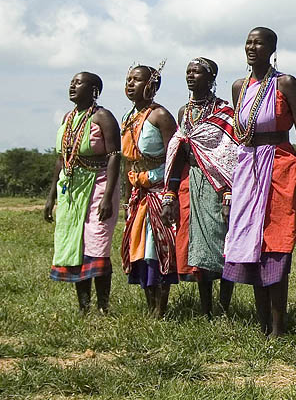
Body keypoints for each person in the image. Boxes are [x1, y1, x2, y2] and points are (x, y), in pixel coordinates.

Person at [223, 27, 296, 337]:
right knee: (251, 244)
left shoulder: (285, 83)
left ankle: (279, 328)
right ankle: (263, 323)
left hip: (280, 166)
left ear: (272, 48)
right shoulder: (239, 87)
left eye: (259, 43)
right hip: (247, 169)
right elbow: (238, 137)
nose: (252, 48)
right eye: (248, 42)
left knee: (276, 242)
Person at [163, 58, 237, 317]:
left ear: (212, 77)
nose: (191, 76)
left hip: (220, 185)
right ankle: (206, 310)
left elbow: (229, 153)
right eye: (188, 72)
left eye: (197, 71)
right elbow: (181, 151)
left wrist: (229, 191)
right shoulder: (185, 111)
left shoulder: (225, 112)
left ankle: (225, 306)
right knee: (199, 248)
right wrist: (170, 193)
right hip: (193, 180)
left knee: (224, 244)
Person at [44, 72, 121, 313]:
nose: (72, 86)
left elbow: (114, 156)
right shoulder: (68, 118)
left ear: (94, 90)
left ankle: (103, 307)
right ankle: (84, 308)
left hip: (99, 185)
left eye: (79, 83)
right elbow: (61, 158)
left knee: (96, 243)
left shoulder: (103, 117)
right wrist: (51, 197)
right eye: (72, 82)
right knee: (76, 244)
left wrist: (108, 196)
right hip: (71, 188)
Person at [120, 62, 178, 318]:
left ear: (151, 85)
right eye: (128, 79)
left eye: (137, 80)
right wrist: (125, 199)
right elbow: (127, 163)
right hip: (138, 193)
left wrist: (169, 195)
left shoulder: (160, 116)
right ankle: (149, 306)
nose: (130, 84)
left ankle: (161, 309)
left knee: (158, 248)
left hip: (158, 191)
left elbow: (175, 158)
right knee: (139, 249)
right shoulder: (127, 117)